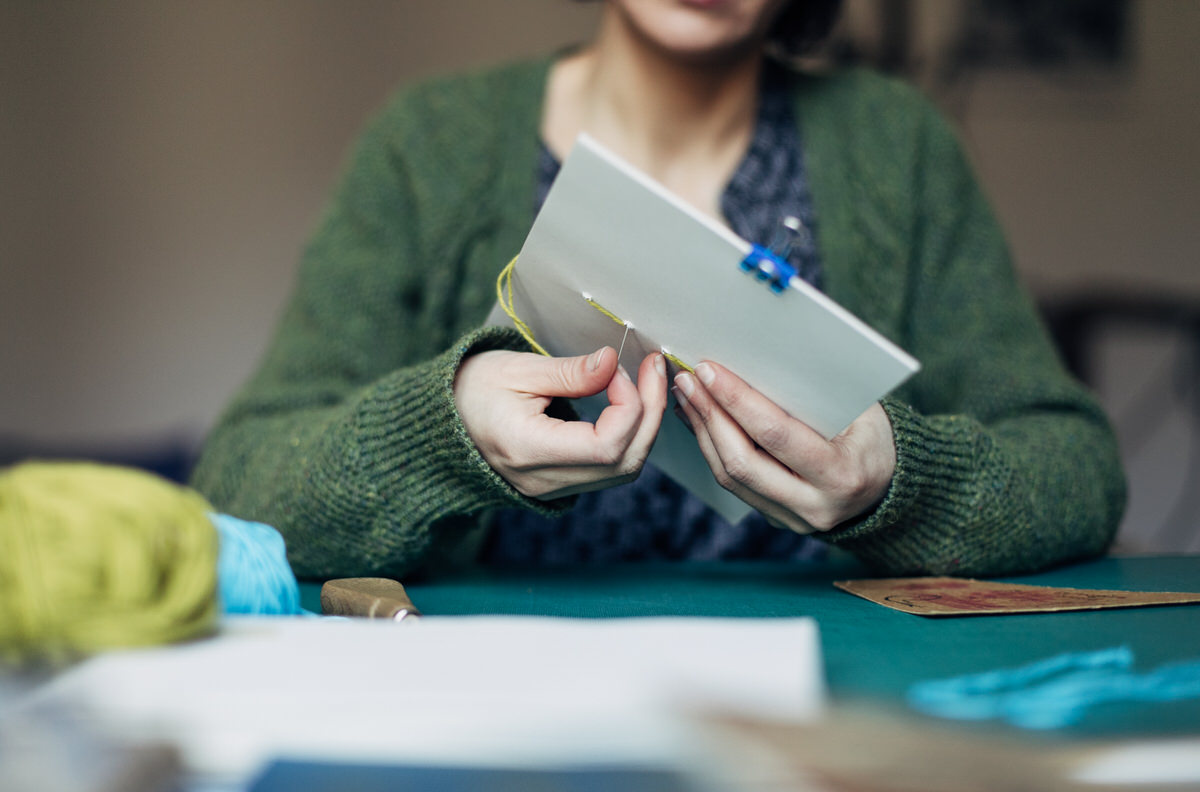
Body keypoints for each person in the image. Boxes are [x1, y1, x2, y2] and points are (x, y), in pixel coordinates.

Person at [190, 0, 1126, 580]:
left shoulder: (899, 148)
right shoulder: (430, 144)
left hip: (836, 701)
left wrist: (898, 482)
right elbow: (240, 479)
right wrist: (445, 433)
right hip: (503, 699)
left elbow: (1078, 468)